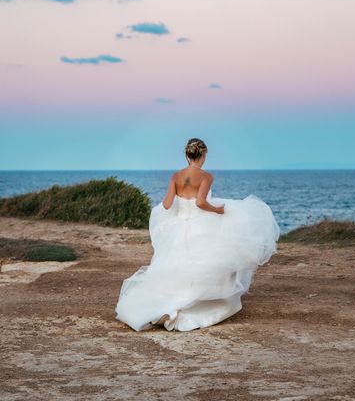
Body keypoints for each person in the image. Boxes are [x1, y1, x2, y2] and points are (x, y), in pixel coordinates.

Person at [115, 138, 280, 332]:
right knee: (203, 262)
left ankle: (166, 301)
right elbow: (201, 202)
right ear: (202, 155)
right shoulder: (206, 176)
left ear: (187, 155)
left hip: (178, 226)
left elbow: (167, 204)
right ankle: (192, 303)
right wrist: (217, 211)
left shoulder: (176, 176)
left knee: (175, 263)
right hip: (199, 224)